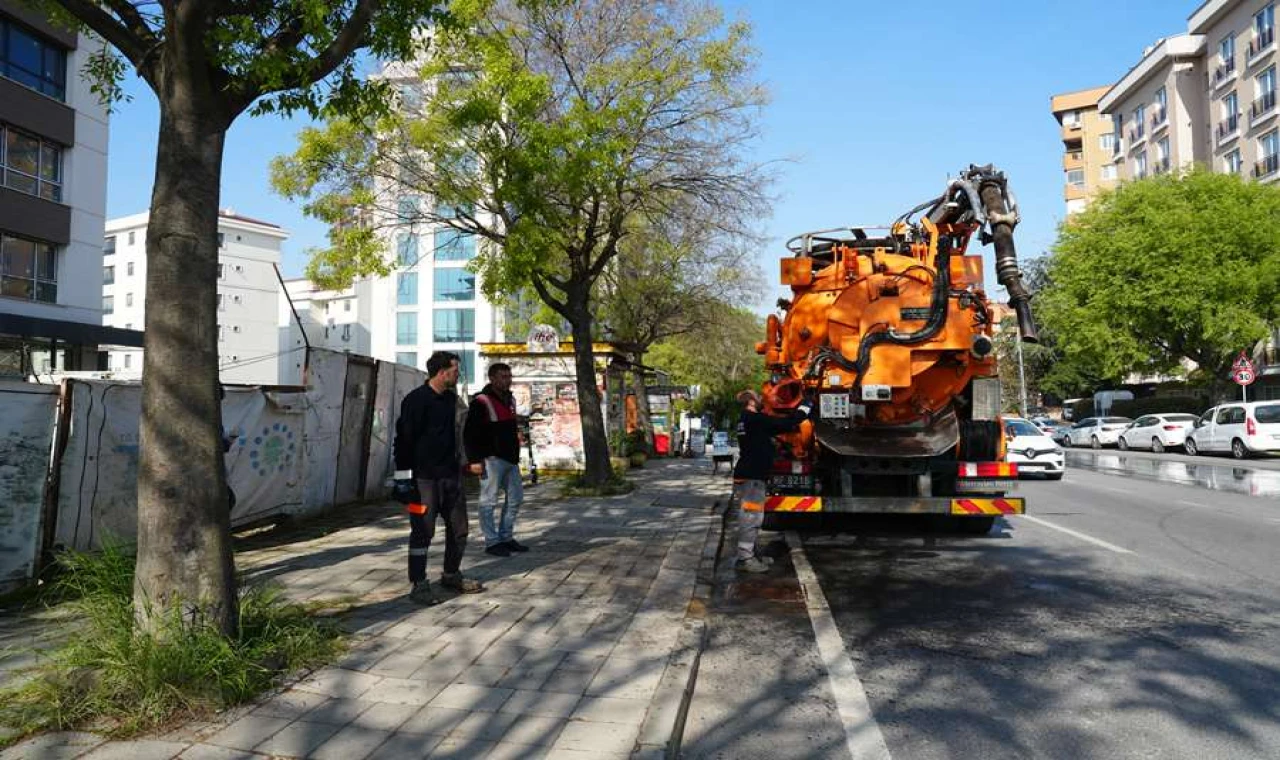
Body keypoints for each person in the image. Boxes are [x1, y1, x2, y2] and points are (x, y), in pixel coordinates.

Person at [393, 351, 485, 605]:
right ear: (442, 372)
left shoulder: (452, 401)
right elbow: (403, 442)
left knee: (460, 530)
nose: (458, 375)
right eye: (455, 371)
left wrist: (469, 462)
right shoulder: (416, 400)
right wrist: (403, 481)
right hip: (422, 482)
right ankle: (419, 585)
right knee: (422, 532)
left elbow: (463, 435)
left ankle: (451, 575)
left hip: (451, 479)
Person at [730, 389, 811, 573]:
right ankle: (746, 559)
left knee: (751, 516)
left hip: (749, 474)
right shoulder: (755, 420)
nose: (762, 399)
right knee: (751, 517)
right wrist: (805, 407)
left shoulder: (745, 420)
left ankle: (751, 554)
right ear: (751, 401)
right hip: (752, 477)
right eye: (758, 397)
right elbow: (787, 423)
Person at [464, 362, 527, 557]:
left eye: (509, 376)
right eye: (503, 377)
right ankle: (492, 542)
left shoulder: (510, 399)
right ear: (492, 378)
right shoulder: (481, 402)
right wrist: (475, 460)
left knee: (516, 498)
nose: (508, 380)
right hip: (491, 459)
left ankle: (506, 537)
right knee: (488, 501)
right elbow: (470, 433)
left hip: (511, 458)